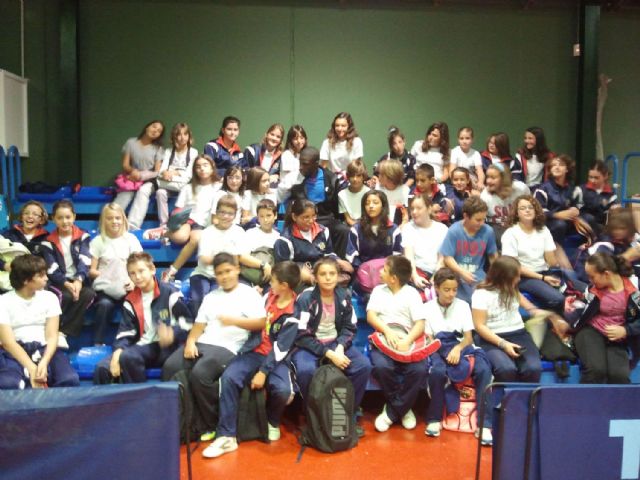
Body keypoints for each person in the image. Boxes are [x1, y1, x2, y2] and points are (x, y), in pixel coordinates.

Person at [163, 253, 266, 444]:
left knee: (200, 373)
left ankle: (211, 424)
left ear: (237, 269)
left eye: (228, 271)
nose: (224, 276)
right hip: (204, 342)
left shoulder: (249, 294)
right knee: (170, 366)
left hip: (229, 347)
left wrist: (235, 321)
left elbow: (261, 323)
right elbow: (199, 325)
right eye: (220, 273)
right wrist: (191, 341)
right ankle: (180, 423)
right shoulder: (211, 297)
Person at [202, 261, 300, 458]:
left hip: (277, 359)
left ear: (284, 286)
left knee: (282, 390)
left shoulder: (295, 312)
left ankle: (272, 420)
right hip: (253, 351)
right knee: (229, 378)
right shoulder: (268, 296)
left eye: (273, 281)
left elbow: (281, 348)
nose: (269, 283)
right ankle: (227, 436)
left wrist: (263, 372)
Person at [291, 257, 372, 434]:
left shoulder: (344, 296)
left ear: (337, 276)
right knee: (306, 371)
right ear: (315, 277)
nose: (328, 278)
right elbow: (301, 335)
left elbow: (350, 327)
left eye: (332, 274)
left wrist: (340, 347)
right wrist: (329, 353)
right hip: (309, 345)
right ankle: (311, 414)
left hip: (336, 342)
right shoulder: (305, 298)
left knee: (363, 366)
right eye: (323, 274)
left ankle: (347, 411)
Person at [93, 252, 192, 384]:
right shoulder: (130, 300)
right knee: (102, 368)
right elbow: (125, 334)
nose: (137, 277)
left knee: (129, 357)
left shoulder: (170, 293)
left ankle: (143, 396)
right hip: (141, 346)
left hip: (168, 347)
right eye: (132, 273)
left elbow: (188, 323)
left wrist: (173, 333)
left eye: (141, 271)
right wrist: (116, 356)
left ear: (152, 269)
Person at [423, 268, 492, 445]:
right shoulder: (427, 308)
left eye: (454, 290)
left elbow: (468, 338)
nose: (451, 294)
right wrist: (444, 351)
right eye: (446, 290)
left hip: (461, 346)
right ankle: (434, 418)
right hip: (437, 348)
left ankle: (484, 424)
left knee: (483, 369)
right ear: (437, 288)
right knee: (437, 372)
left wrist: (458, 349)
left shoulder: (462, 305)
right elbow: (429, 339)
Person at [472, 256, 560, 383]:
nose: (519, 279)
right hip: (491, 338)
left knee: (533, 368)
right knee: (506, 369)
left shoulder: (511, 287)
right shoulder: (481, 294)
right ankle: (502, 395)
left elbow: (525, 303)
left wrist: (536, 311)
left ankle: (529, 396)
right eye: (516, 276)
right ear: (503, 277)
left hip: (518, 334)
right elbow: (479, 326)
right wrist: (503, 344)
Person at [367, 255, 429, 432]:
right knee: (382, 367)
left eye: (385, 270)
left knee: (419, 369)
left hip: (407, 341)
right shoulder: (378, 291)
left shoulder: (412, 294)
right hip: (383, 339)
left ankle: (392, 412)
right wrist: (387, 331)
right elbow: (371, 316)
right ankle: (403, 408)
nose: (380, 272)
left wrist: (407, 341)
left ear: (393, 278)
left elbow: (420, 324)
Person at [0, 255, 79, 389]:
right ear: (26, 280)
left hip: (45, 348)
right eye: (41, 275)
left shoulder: (50, 298)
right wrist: (31, 368)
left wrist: (44, 362)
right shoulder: (3, 301)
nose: (46, 278)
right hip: (15, 350)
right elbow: (8, 343)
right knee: (8, 384)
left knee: (69, 379)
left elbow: (52, 336)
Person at [501, 195, 586, 313]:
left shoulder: (543, 230)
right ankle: (556, 317)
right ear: (516, 213)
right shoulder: (510, 234)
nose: (527, 210)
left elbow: (551, 262)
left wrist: (555, 264)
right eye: (523, 208)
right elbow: (514, 268)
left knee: (584, 289)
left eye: (530, 207)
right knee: (558, 299)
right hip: (524, 277)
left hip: (545, 271)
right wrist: (543, 278)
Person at [568, 252, 640, 384]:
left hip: (618, 337)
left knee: (619, 376)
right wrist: (570, 307)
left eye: (592, 276)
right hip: (590, 331)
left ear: (606, 274)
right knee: (596, 371)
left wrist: (626, 330)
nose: (590, 280)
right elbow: (580, 310)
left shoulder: (635, 288)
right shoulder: (593, 290)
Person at [279, 146, 350, 258]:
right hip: (302, 218)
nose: (301, 167)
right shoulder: (294, 178)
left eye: (305, 164)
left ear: (316, 163)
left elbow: (337, 205)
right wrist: (289, 184)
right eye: (300, 163)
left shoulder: (330, 178)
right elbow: (280, 198)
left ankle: (337, 263)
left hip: (324, 217)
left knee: (343, 230)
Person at [40, 200, 95, 341]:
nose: (65, 221)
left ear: (74, 217)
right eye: (60, 218)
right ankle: (53, 328)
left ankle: (64, 332)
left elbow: (85, 260)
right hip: (58, 282)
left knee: (89, 294)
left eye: (68, 217)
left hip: (79, 280)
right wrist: (66, 283)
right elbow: (51, 268)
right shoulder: (48, 241)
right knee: (66, 296)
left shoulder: (83, 236)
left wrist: (78, 280)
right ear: (53, 219)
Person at [89, 203, 142, 345]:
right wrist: (103, 276)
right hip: (106, 289)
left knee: (134, 304)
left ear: (123, 219)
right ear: (103, 220)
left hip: (127, 287)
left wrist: (133, 282)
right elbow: (92, 270)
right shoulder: (98, 242)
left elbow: (140, 265)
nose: (114, 221)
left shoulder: (131, 239)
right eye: (110, 218)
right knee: (104, 305)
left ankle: (135, 341)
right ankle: (98, 342)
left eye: (118, 218)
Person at [161, 155, 221, 280]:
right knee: (180, 237)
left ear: (212, 167)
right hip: (187, 220)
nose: (202, 169)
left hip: (204, 224)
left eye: (205, 165)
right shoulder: (188, 187)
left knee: (196, 239)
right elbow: (178, 209)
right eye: (198, 166)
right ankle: (164, 232)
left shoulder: (218, 187)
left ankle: (171, 271)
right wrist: (175, 222)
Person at [187, 194, 249, 315]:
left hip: (224, 275)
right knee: (200, 299)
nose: (226, 216)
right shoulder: (207, 232)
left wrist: (221, 261)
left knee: (218, 301)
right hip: (203, 274)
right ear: (216, 213)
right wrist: (225, 259)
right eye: (222, 212)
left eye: (230, 213)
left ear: (235, 215)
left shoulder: (239, 232)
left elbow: (237, 259)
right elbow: (204, 259)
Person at [274, 199, 351, 286]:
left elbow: (328, 253)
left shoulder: (323, 231)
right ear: (294, 217)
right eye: (306, 217)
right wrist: (299, 271)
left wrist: (337, 260)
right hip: (298, 281)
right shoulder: (284, 240)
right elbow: (281, 269)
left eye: (313, 216)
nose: (311, 221)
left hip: (321, 272)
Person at [440, 196, 498, 304]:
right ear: (466, 216)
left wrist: (496, 276)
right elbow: (447, 258)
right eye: (478, 220)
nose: (482, 223)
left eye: (484, 219)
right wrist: (462, 272)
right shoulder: (454, 230)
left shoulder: (488, 231)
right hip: (457, 276)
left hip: (478, 277)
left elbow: (492, 256)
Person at [145, 122, 198, 233]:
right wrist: (165, 173)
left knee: (184, 186)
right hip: (169, 185)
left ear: (189, 136)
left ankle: (181, 224)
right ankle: (164, 225)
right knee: (160, 192)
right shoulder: (169, 151)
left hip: (183, 186)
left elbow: (188, 176)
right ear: (174, 136)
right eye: (179, 134)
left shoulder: (193, 152)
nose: (182, 137)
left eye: (185, 134)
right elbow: (161, 171)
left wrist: (174, 172)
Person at [114, 120, 165, 212]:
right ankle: (109, 219)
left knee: (143, 193)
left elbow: (157, 171)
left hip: (149, 181)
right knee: (123, 198)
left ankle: (133, 222)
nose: (155, 131)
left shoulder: (158, 148)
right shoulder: (131, 142)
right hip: (131, 179)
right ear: (147, 127)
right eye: (154, 127)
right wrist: (133, 172)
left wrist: (142, 176)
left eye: (159, 131)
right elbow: (125, 165)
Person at [402, 192, 448, 291]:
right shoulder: (408, 228)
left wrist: (436, 276)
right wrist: (415, 276)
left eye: (419, 208)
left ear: (429, 209)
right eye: (412, 209)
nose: (414, 212)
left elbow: (442, 259)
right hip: (417, 271)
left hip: (437, 273)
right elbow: (409, 256)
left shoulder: (442, 229)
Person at [480, 163, 530, 246]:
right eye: (487, 177)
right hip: (497, 229)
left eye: (493, 178)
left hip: (519, 225)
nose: (488, 181)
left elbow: (532, 208)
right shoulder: (485, 196)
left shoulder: (521, 189)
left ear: (504, 179)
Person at [0, 200, 49, 271]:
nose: (30, 216)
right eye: (26, 213)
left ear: (41, 220)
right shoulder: (8, 235)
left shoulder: (47, 238)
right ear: (21, 217)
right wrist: (4, 265)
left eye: (35, 214)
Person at [319, 112, 364, 177]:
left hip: (351, 178)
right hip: (333, 179)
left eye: (343, 126)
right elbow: (323, 166)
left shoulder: (357, 141)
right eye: (337, 125)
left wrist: (346, 177)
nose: (340, 128)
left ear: (349, 127)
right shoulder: (327, 143)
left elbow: (356, 166)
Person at [579, 159, 617, 235]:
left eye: (596, 177)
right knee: (589, 218)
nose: (592, 180)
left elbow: (613, 207)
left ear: (605, 176)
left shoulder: (610, 193)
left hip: (600, 226)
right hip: (584, 225)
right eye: (590, 177)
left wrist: (615, 208)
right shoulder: (581, 190)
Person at [376, 159, 410, 224]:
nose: (378, 176)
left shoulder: (404, 191)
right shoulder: (378, 189)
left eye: (381, 174)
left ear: (390, 177)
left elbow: (405, 214)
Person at [338, 159, 370, 227]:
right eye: (352, 176)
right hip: (350, 226)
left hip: (366, 224)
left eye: (358, 176)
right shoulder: (341, 194)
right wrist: (357, 227)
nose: (355, 179)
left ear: (363, 176)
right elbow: (348, 219)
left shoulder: (369, 192)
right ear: (348, 176)